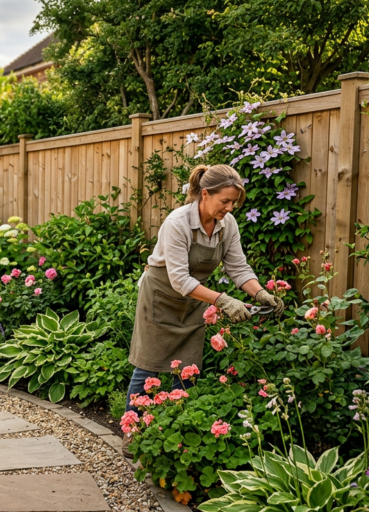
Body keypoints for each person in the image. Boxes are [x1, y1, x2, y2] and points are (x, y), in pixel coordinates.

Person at [121, 164, 283, 459]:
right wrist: (223, 301)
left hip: (197, 298)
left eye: (233, 202)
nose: (229, 207)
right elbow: (179, 278)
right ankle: (133, 433)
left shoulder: (227, 224)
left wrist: (259, 292)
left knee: (185, 368)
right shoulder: (178, 223)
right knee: (149, 363)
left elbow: (237, 267)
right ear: (205, 194)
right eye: (225, 201)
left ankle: (171, 429)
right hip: (161, 296)